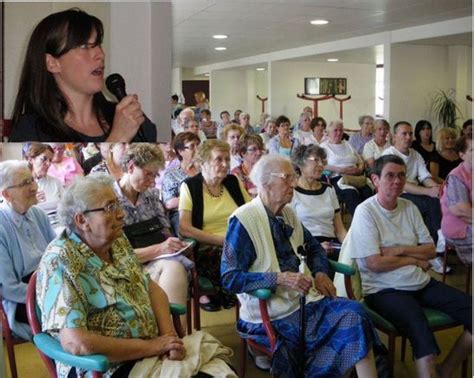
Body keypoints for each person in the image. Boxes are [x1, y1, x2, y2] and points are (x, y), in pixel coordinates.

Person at [221, 154, 378, 377]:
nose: (293, 183)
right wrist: (279, 278)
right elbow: (229, 278)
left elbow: (313, 248)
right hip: (272, 312)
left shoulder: (287, 213)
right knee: (345, 323)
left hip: (304, 300)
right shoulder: (243, 221)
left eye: (293, 177)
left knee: (355, 313)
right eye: (287, 178)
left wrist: (321, 273)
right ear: (265, 183)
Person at [36, 173, 188, 377]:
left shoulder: (117, 241)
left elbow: (151, 288)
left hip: (149, 352)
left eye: (117, 204)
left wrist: (169, 339)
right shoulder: (60, 260)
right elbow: (76, 343)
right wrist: (153, 347)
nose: (121, 214)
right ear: (82, 220)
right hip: (104, 366)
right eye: (109, 207)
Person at [339, 155, 472, 378]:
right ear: (375, 180)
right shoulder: (366, 211)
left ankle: (445, 370)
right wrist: (413, 258)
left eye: (401, 176)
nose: (397, 181)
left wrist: (396, 250)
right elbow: (374, 263)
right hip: (384, 290)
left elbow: (430, 250)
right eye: (390, 176)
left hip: (420, 283)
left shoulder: (409, 207)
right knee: (419, 328)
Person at [10, 8, 156, 142]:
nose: (100, 54)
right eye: (85, 47)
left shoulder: (127, 118)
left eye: (98, 44)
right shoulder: (30, 131)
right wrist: (117, 139)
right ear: (52, 63)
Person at [114, 144, 191, 316]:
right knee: (173, 269)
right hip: (125, 268)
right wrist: (161, 249)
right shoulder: (109, 201)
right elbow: (116, 256)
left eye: (155, 175)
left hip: (157, 261)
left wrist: (173, 243)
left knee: (174, 266)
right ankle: (173, 333)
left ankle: (171, 335)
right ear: (131, 166)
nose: (152, 181)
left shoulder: (152, 196)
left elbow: (165, 233)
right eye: (148, 174)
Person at [179, 140, 250, 311]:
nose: (225, 164)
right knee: (233, 258)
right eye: (219, 159)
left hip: (238, 244)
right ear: (203, 163)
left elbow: (250, 213)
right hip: (208, 249)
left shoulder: (233, 182)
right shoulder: (190, 186)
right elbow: (184, 228)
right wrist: (222, 241)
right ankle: (242, 301)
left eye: (227, 159)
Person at [0, 160, 56, 340]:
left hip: (52, 284)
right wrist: (51, 295)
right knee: (68, 320)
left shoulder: (38, 214)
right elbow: (9, 289)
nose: (34, 187)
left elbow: (59, 255)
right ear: (7, 195)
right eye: (25, 183)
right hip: (22, 299)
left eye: (32, 180)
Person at [381, 122, 442, 250]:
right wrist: (428, 191)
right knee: (428, 204)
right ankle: (434, 243)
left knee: (438, 199)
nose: (408, 137)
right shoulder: (389, 154)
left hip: (415, 191)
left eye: (410, 134)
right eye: (404, 134)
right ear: (395, 136)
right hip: (397, 193)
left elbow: (425, 177)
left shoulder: (415, 154)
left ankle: (437, 241)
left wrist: (437, 189)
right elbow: (400, 184)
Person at [291, 145, 346, 260]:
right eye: (316, 160)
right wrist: (315, 247)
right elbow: (291, 232)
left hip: (331, 245)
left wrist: (349, 246)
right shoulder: (292, 191)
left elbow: (340, 229)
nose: (321, 165)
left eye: (322, 161)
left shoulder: (329, 189)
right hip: (306, 246)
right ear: (301, 164)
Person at [321, 120, 373, 216]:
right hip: (336, 178)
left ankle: (371, 220)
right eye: (335, 130)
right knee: (351, 193)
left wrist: (360, 169)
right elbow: (320, 165)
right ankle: (359, 223)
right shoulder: (324, 147)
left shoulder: (347, 144)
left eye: (341, 130)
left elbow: (360, 160)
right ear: (328, 132)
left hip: (355, 177)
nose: (339, 133)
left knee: (368, 192)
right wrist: (341, 170)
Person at [440, 136, 472, 265]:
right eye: (473, 150)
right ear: (462, 155)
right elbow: (463, 211)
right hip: (459, 229)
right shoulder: (456, 176)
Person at [162, 132, 201, 235]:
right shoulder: (172, 174)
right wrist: (194, 196)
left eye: (198, 145)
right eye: (192, 146)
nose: (197, 150)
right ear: (180, 151)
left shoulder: (205, 169)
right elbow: (169, 203)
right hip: (182, 212)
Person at [24, 143, 63, 219]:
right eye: (44, 159)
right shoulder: (21, 184)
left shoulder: (56, 182)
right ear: (31, 159)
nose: (48, 164)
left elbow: (67, 206)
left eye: (50, 160)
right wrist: (31, 202)